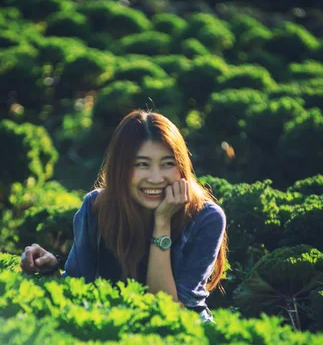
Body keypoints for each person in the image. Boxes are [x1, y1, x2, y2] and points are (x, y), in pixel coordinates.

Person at [20, 110, 228, 322]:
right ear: (121, 168)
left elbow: (167, 312)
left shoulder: (206, 218)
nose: (156, 178)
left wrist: (162, 222)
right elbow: (76, 287)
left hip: (184, 338)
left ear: (182, 167)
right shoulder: (96, 207)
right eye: (142, 164)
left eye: (168, 163)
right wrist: (50, 268)